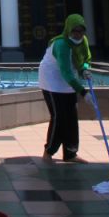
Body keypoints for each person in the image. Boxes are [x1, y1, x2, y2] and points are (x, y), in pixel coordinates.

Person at [38, 13, 91, 163]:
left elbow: (86, 58)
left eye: (81, 31)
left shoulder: (82, 41)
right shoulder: (61, 45)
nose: (78, 34)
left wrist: (85, 69)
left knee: (71, 115)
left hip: (68, 78)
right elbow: (66, 72)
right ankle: (49, 152)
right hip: (52, 79)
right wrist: (83, 91)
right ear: (68, 30)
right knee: (59, 116)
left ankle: (70, 153)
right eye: (74, 31)